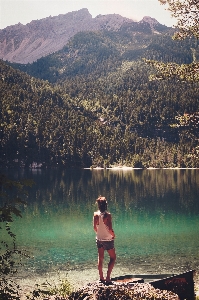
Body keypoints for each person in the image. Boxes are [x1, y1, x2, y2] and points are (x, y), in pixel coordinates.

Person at [93, 196, 116, 284]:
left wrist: (99, 233)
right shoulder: (108, 215)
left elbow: (95, 228)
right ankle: (108, 278)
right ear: (106, 205)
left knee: (101, 258)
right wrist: (113, 235)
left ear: (98, 205)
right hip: (108, 240)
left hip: (99, 239)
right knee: (113, 258)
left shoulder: (95, 214)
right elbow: (110, 229)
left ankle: (101, 278)